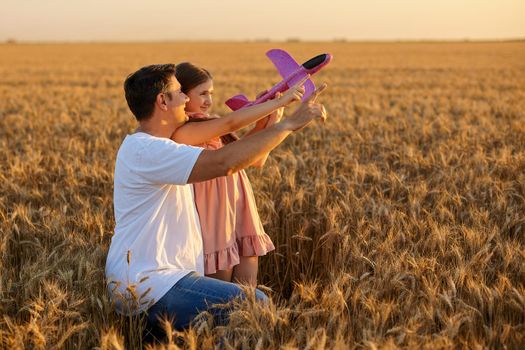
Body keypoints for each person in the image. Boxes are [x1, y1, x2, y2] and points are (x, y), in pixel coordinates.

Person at [105, 63, 327, 340]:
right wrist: (289, 124)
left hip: (162, 281)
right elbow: (225, 161)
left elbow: (236, 149)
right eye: (179, 92)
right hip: (152, 284)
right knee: (252, 304)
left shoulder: (157, 147)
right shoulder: (148, 150)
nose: (187, 99)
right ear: (162, 101)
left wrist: (273, 112)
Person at [172, 62, 285, 287]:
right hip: (212, 212)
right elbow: (232, 122)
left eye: (211, 93)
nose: (209, 101)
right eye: (202, 93)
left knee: (246, 292)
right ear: (182, 95)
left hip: (238, 206)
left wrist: (272, 117)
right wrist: (267, 108)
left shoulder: (212, 124)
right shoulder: (184, 130)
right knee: (219, 298)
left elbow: (257, 159)